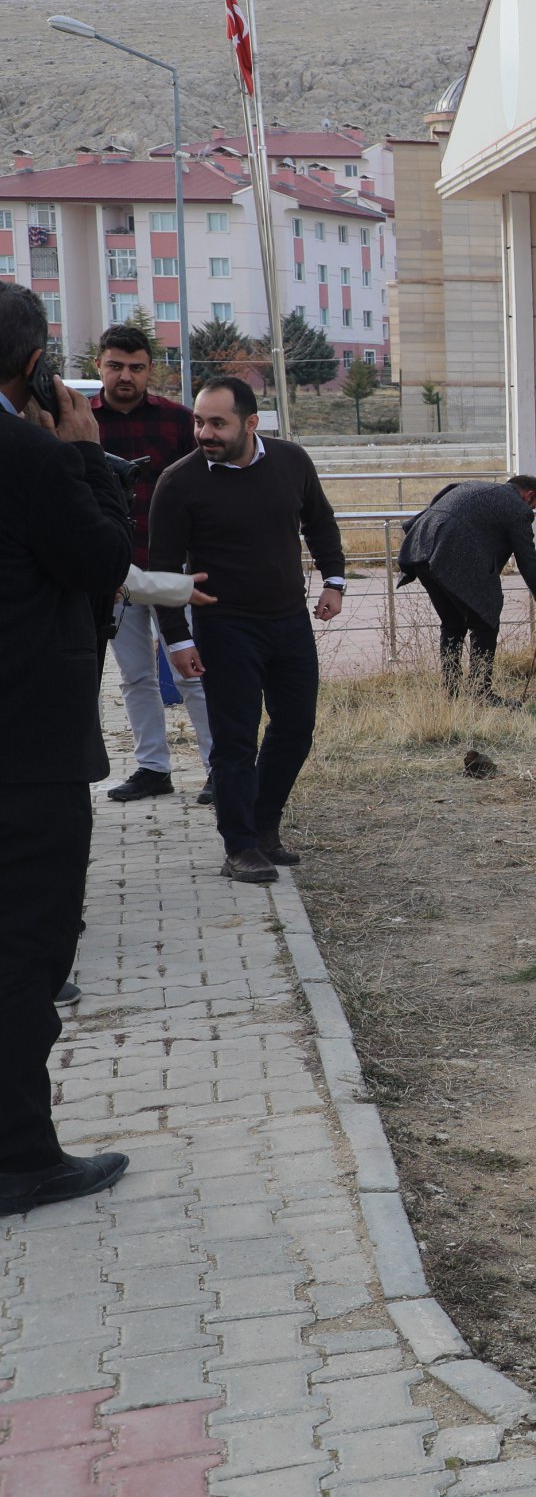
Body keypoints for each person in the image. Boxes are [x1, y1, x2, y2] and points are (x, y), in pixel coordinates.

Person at [0, 282, 137, 1217]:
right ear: (36, 363)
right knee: (26, 950)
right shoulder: (34, 458)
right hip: (26, 752)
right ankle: (21, 1158)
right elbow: (102, 563)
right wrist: (85, 456)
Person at [152, 377, 347, 886]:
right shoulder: (178, 482)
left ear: (251, 423)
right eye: (199, 421)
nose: (204, 433)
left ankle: (264, 826)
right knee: (235, 740)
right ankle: (239, 846)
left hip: (289, 620)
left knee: (296, 727)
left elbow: (320, 522)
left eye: (218, 423)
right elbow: (163, 570)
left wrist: (334, 580)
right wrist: (177, 639)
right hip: (225, 626)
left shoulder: (291, 461)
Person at [92, 327, 215, 805]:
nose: (125, 376)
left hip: (169, 569)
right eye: (115, 366)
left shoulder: (178, 421)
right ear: (99, 366)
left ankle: (220, 766)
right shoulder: (80, 423)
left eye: (136, 367)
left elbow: (203, 493)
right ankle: (152, 768)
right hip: (112, 575)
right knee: (135, 677)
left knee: (192, 671)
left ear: (150, 369)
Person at [397, 476, 536, 701]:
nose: (531, 511)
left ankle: (452, 692)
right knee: (485, 621)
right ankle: (480, 692)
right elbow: (527, 557)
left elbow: (438, 500)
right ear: (529, 495)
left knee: (453, 623)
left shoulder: (472, 486)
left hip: (420, 548)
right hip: (450, 551)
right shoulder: (516, 507)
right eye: (533, 506)